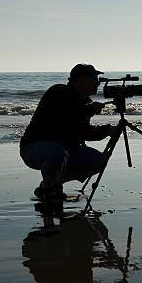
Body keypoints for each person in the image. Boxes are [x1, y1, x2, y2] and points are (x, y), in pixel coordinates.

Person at [20, 64, 115, 201]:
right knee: (56, 152)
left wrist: (107, 131)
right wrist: (89, 110)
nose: (98, 83)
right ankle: (49, 187)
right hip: (34, 148)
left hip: (64, 150)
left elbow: (83, 133)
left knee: (99, 160)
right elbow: (64, 119)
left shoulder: (84, 102)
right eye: (94, 79)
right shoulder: (58, 92)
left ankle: (53, 184)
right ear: (79, 81)